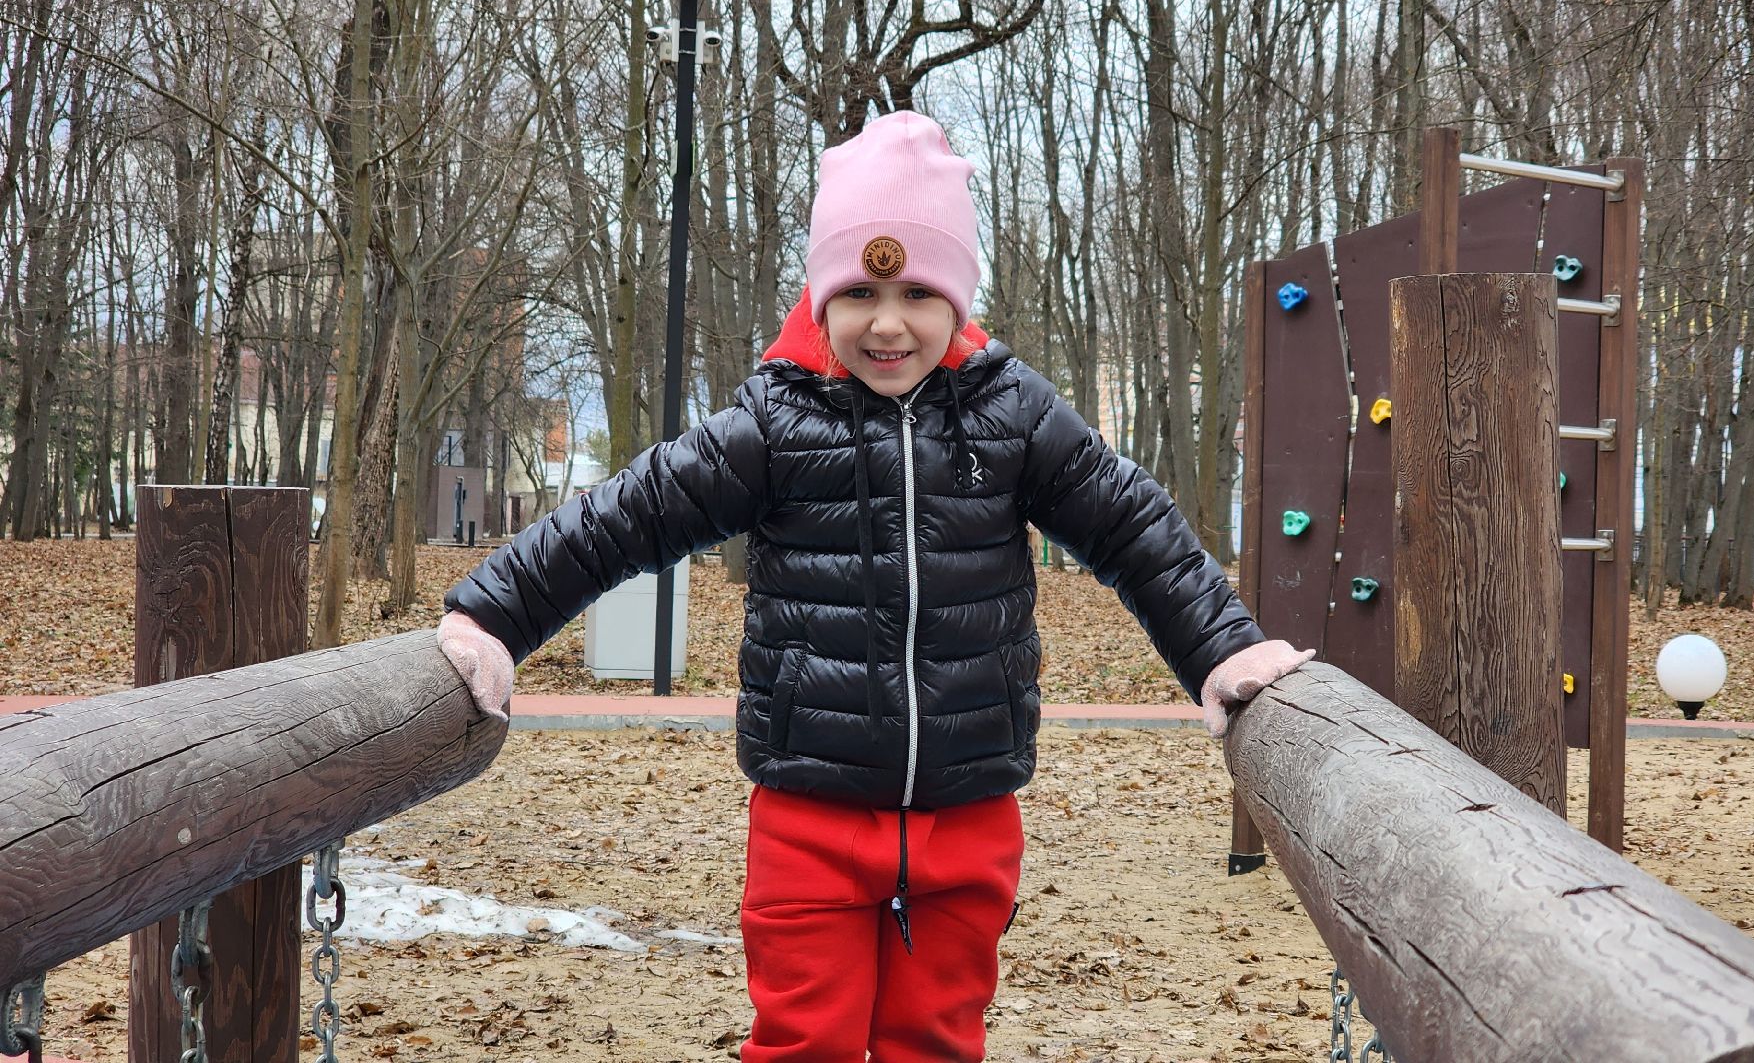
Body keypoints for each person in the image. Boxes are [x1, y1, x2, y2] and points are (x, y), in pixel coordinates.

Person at [436, 110, 1313, 1062]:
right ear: (820, 300)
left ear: (958, 301)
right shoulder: (775, 423)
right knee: (804, 1040)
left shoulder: (1011, 415)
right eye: (857, 290)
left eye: (915, 292)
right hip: (809, 813)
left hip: (969, 812)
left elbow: (1135, 529)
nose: (887, 322)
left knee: (935, 1042)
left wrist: (1223, 647)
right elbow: (627, 515)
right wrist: (493, 614)